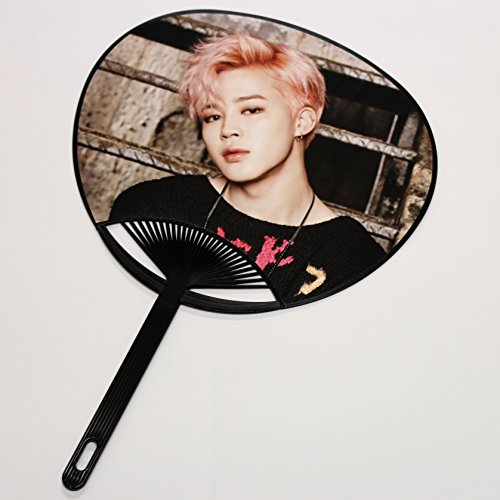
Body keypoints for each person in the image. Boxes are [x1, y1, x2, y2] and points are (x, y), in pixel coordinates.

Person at [109, 33, 386, 304]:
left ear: (301, 122)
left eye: (252, 110)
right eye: (212, 116)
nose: (228, 129)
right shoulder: (153, 207)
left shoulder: (353, 260)